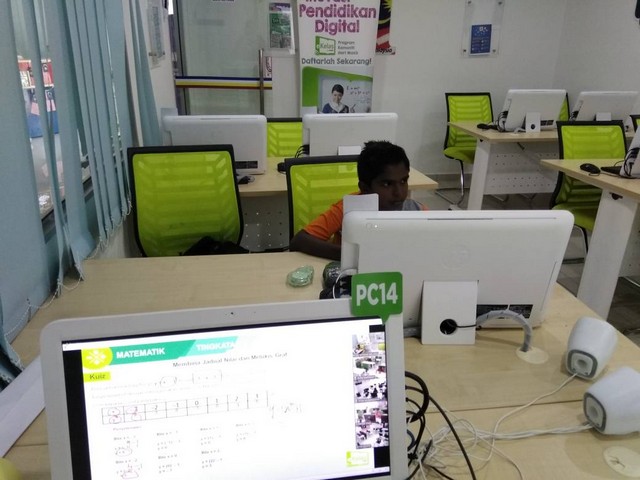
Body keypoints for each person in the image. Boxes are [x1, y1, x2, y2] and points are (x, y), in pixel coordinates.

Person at [289, 140, 426, 260]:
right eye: (387, 184)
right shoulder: (347, 210)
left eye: (403, 181)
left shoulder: (418, 210)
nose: (399, 192)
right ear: (365, 188)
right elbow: (299, 241)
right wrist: (352, 254)